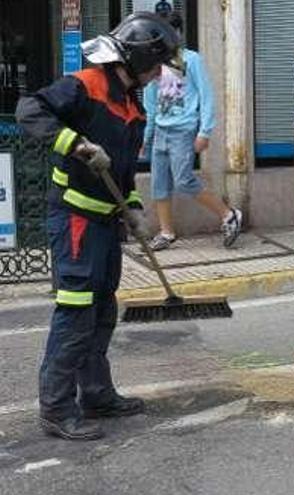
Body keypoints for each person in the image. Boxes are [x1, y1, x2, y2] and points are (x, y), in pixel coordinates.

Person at [15, 12, 180, 440]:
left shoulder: (133, 106)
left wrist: (133, 206)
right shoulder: (85, 85)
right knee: (75, 310)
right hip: (74, 219)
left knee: (103, 308)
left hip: (106, 224)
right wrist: (76, 143)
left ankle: (96, 393)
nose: (160, 72)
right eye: (158, 63)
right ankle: (55, 407)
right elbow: (29, 109)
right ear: (141, 56)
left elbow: (122, 173)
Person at [143, 12, 242, 251]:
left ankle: (229, 215)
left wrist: (204, 132)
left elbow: (206, 96)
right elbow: (150, 103)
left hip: (183, 131)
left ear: (177, 33)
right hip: (160, 132)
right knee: (159, 184)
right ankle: (167, 232)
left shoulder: (191, 59)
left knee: (184, 180)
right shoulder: (152, 64)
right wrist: (146, 136)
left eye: (169, 31)